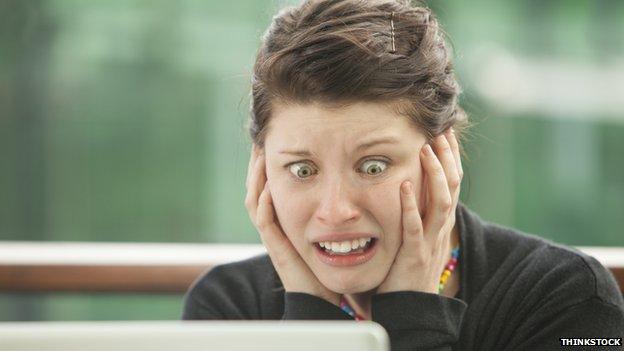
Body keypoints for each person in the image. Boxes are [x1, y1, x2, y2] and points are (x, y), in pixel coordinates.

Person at [182, 0, 624, 350]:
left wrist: (414, 319)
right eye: (301, 169)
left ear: (443, 156)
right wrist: (309, 318)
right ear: (262, 171)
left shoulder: (566, 299)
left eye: (373, 166)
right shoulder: (227, 307)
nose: (336, 211)